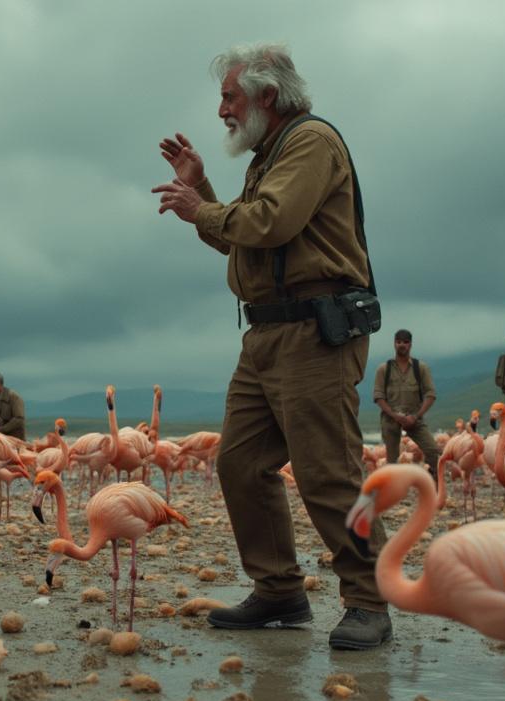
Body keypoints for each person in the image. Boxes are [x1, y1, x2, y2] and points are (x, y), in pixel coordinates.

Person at [152, 43, 390, 649]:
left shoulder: (311, 142)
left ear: (267, 95)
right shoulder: (271, 153)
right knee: (239, 463)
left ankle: (369, 599)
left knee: (326, 472)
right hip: (265, 336)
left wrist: (200, 209)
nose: (222, 109)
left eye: (229, 97)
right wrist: (203, 188)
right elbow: (246, 238)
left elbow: (270, 222)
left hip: (313, 332)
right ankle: (280, 589)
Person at [373, 329, 439, 477]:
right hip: (390, 419)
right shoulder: (384, 369)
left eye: (405, 342)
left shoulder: (420, 368)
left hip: (414, 417)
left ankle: (434, 484)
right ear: (394, 344)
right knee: (392, 459)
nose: (402, 345)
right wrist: (395, 416)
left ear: (410, 344)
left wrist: (416, 416)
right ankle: (393, 491)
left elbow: (430, 395)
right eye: (398, 342)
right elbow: (378, 397)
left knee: (433, 451)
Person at [0, 372, 25, 440]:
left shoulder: (13, 396)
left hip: (14, 439)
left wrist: (2, 429)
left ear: (1, 383)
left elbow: (19, 419)